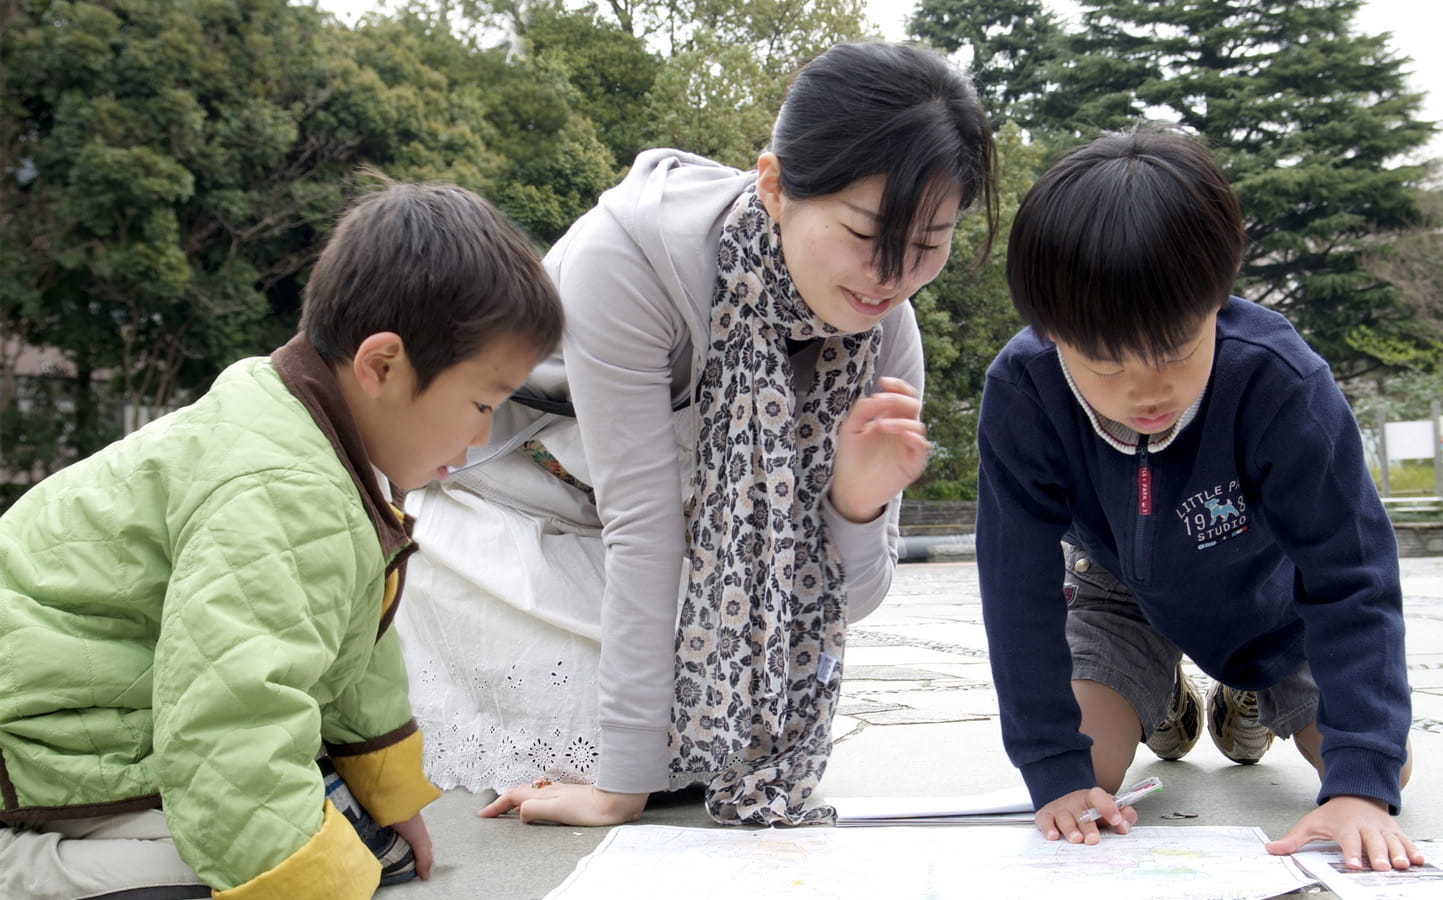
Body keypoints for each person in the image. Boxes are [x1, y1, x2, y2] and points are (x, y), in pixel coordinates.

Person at [396, 40, 998, 827]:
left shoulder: (886, 338)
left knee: (701, 725)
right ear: (776, 185)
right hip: (513, 516)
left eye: (925, 247)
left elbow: (847, 601)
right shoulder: (629, 261)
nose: (889, 279)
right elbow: (642, 527)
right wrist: (620, 786)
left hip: (671, 562)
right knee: (626, 729)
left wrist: (853, 507)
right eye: (863, 233)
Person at [0, 180, 564, 899]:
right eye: (482, 403)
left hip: (114, 707)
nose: (483, 434)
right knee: (238, 865)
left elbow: (356, 649)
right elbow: (232, 711)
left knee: (356, 844)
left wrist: (393, 801)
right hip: (42, 742)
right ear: (382, 366)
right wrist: (304, 885)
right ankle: (21, 869)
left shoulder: (315, 436)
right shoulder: (283, 487)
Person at [975, 127, 1420, 872]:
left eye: (1177, 351)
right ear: (1050, 332)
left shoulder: (1282, 382)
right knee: (1089, 779)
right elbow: (1015, 586)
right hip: (1117, 593)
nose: (1146, 393)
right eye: (1107, 365)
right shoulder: (1024, 392)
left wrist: (1362, 784)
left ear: (1218, 298)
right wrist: (1053, 767)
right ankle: (1168, 706)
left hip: (1270, 606)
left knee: (1384, 767)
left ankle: (1247, 699)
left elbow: (1353, 577)